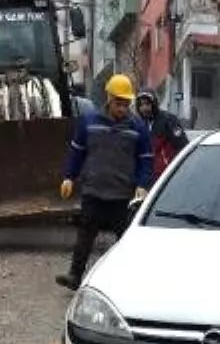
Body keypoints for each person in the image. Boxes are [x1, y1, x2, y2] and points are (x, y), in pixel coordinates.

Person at [55, 74, 153, 290]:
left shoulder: (138, 128)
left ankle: (133, 282)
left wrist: (142, 184)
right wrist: (69, 177)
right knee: (85, 237)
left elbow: (146, 160)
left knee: (126, 241)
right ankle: (75, 275)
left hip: (122, 196)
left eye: (126, 103)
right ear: (109, 98)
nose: (122, 107)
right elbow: (77, 152)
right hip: (94, 191)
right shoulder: (89, 122)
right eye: (119, 102)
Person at [135, 91, 189, 182]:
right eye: (141, 105)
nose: (144, 108)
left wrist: (173, 169)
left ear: (154, 104)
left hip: (166, 176)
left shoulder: (168, 120)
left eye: (147, 104)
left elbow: (182, 146)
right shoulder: (139, 123)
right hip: (147, 177)